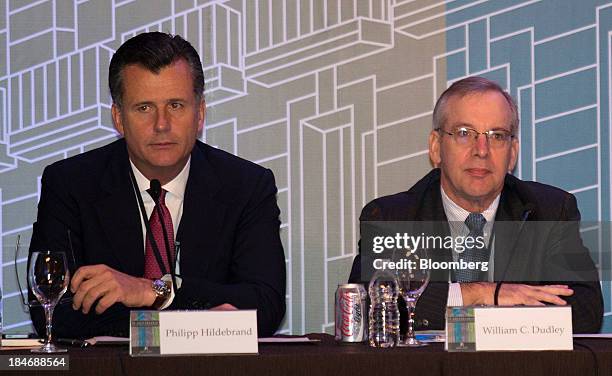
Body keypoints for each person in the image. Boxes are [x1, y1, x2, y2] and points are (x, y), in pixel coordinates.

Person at [28, 32, 286, 338]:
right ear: (118, 118)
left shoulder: (246, 187)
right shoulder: (71, 185)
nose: (162, 124)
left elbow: (264, 307)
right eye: (144, 108)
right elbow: (52, 309)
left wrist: (155, 292)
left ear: (200, 113)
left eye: (176, 105)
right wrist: (189, 325)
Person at [349, 76, 603, 333]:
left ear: (512, 152)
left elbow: (584, 312)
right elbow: (370, 303)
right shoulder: (394, 218)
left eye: (497, 136)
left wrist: (484, 325)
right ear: (436, 147)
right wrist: (483, 294)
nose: (481, 150)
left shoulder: (548, 211)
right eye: (463, 134)